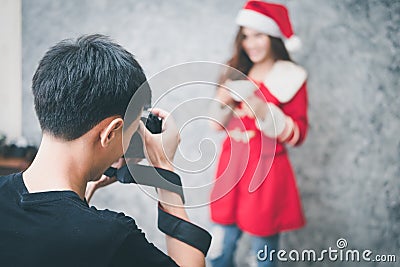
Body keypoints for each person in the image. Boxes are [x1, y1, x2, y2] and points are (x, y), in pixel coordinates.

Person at [0, 34, 208, 266]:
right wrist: (162, 167)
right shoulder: (111, 239)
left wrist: (83, 187)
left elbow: (52, 224)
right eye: (132, 130)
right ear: (110, 132)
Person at [208, 1, 308, 266]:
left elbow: (299, 134)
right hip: (230, 170)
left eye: (258, 35)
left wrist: (264, 111)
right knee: (220, 250)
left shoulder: (291, 77)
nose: (251, 44)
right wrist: (222, 98)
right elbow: (214, 126)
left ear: (273, 36)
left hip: (266, 175)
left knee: (262, 255)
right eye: (245, 36)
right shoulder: (235, 70)